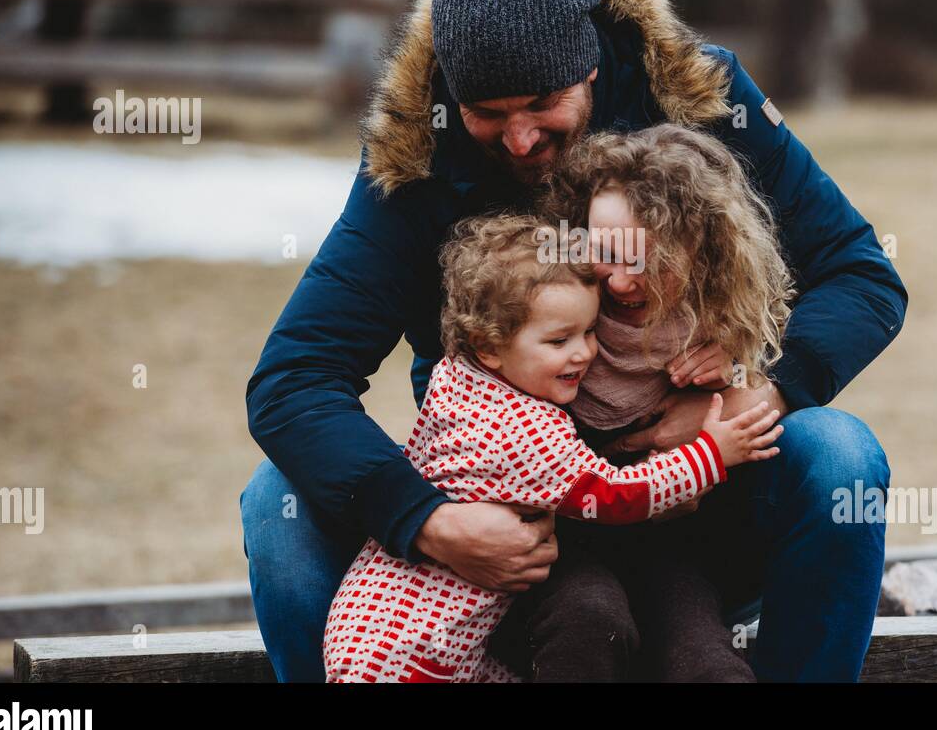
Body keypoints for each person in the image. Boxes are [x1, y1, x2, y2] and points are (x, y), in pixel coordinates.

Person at [241, 0, 907, 682]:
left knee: (840, 457)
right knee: (277, 506)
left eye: (540, 103)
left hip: (696, 510)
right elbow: (292, 381)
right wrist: (427, 519)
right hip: (513, 537)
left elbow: (862, 274)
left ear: (588, 63)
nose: (519, 139)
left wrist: (761, 393)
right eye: (486, 112)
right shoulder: (416, 155)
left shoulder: (696, 98)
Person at [323, 214, 781, 682]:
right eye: (559, 339)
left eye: (588, 331)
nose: (584, 353)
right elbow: (614, 494)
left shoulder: (459, 379)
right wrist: (710, 454)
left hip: (382, 631)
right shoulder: (524, 432)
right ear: (489, 346)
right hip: (415, 652)